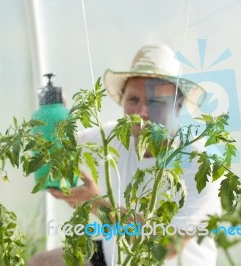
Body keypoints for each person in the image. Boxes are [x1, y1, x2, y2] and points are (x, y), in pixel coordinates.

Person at [29, 44, 221, 266]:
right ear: (122, 102)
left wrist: (95, 203)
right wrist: (55, 118)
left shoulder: (199, 164)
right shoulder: (115, 136)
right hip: (117, 255)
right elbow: (60, 145)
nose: (141, 113)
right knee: (42, 263)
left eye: (155, 101)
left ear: (177, 105)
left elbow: (165, 247)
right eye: (133, 100)